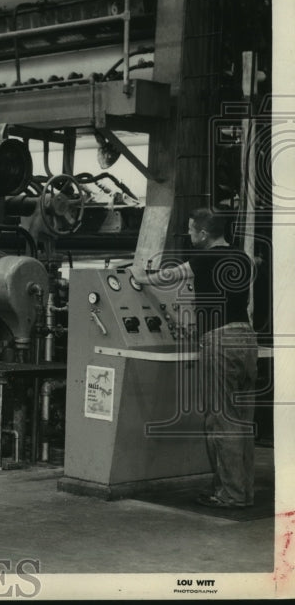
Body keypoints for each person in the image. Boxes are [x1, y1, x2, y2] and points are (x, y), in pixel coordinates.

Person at [134, 208, 257, 508]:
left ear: (204, 233)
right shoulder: (242, 257)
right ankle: (243, 490)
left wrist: (140, 277)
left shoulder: (204, 259)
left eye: (191, 231)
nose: (189, 236)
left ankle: (231, 495)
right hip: (246, 339)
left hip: (220, 341)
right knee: (242, 420)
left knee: (221, 419)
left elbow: (170, 276)